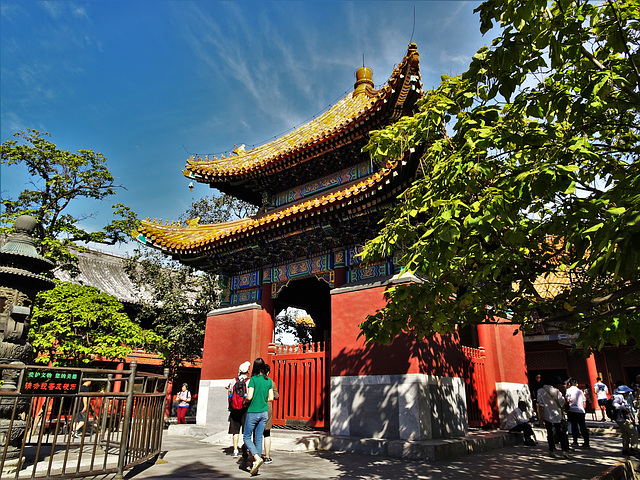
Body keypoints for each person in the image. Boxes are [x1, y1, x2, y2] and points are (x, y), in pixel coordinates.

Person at [243, 358, 273, 476]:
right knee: (259, 437)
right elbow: (271, 398)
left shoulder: (253, 380)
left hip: (253, 411)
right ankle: (257, 462)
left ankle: (256, 456)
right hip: (264, 412)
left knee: (246, 437)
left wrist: (245, 401)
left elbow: (249, 396)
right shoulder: (269, 380)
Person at [537, 376, 570, 458]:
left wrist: (541, 415)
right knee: (560, 432)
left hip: (547, 414)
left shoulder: (540, 391)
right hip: (557, 414)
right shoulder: (556, 391)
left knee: (550, 433)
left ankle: (552, 450)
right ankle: (564, 450)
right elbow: (562, 402)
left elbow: (540, 403)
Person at [227, 361, 251, 458]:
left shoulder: (234, 380)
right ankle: (245, 447)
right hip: (245, 409)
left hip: (234, 409)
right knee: (246, 431)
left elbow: (229, 393)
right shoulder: (249, 381)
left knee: (235, 431)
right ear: (247, 371)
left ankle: (235, 450)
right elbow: (249, 395)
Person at [612, 381, 639, 455]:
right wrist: (624, 408)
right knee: (634, 432)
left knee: (625, 434)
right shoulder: (618, 397)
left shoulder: (619, 396)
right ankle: (634, 448)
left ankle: (625, 449)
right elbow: (615, 404)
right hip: (621, 418)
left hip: (620, 418)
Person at [262, 364, 280, 464]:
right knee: (267, 433)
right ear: (268, 372)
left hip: (256, 407)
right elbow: (276, 396)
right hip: (267, 407)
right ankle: (267, 457)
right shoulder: (271, 382)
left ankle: (255, 456)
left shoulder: (255, 380)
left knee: (256, 433)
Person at [565, 378, 590, 448]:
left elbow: (567, 400)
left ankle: (575, 441)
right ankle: (586, 442)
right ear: (577, 384)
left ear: (569, 384)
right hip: (580, 410)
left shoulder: (568, 390)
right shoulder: (580, 391)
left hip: (572, 410)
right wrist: (583, 410)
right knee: (583, 426)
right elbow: (584, 401)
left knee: (574, 426)